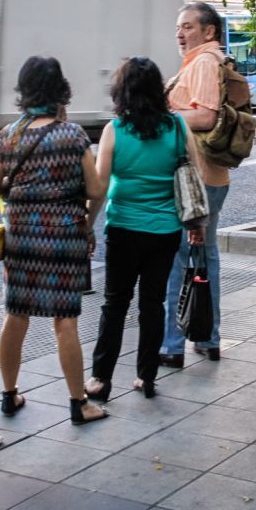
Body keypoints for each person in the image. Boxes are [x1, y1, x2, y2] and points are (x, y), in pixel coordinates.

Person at [0, 56, 108, 424]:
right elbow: (97, 188)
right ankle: (77, 403)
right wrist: (84, 220)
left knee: (15, 315)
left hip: (21, 235)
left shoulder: (11, 135)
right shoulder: (73, 136)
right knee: (64, 320)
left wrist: (21, 187)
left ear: (24, 91)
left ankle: (8, 395)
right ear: (60, 91)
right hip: (65, 234)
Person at [86, 58, 199, 402]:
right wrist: (197, 225)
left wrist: (87, 227)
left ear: (122, 91)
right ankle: (146, 376)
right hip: (165, 230)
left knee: (114, 304)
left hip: (122, 228)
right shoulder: (178, 127)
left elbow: (100, 187)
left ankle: (101, 379)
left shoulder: (114, 131)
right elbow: (193, 177)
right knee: (153, 303)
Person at [161, 2, 232, 365]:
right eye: (178, 26)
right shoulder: (206, 61)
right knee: (204, 257)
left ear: (209, 32)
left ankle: (172, 345)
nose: (180, 33)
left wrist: (166, 114)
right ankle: (207, 337)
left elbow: (205, 115)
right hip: (210, 176)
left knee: (179, 258)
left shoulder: (205, 61)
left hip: (196, 179)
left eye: (188, 26)